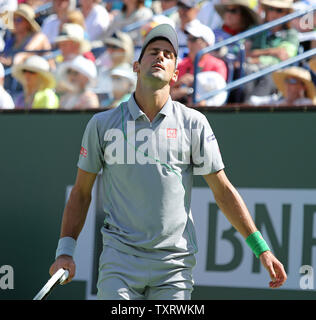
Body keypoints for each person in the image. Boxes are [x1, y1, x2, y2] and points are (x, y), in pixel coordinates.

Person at [49, 24, 287, 300]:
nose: (159, 57)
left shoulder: (194, 123)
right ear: (136, 66)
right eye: (152, 52)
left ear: (176, 73)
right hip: (120, 263)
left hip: (175, 267)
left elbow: (222, 191)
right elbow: (80, 193)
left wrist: (261, 248)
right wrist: (65, 252)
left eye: (167, 54)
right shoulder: (101, 125)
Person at [242, 0, 299, 101]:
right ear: (266, 11)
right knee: (246, 72)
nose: (274, 13)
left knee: (269, 75)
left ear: (287, 13)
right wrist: (274, 51)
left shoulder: (291, 34)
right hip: (250, 69)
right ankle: (247, 106)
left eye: (279, 10)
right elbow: (244, 54)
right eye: (271, 9)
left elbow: (284, 57)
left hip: (275, 73)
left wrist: (257, 56)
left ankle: (252, 108)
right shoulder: (255, 29)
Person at [171, 20, 228, 103]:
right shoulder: (181, 64)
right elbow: (168, 94)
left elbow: (218, 95)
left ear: (207, 44)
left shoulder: (218, 65)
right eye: (188, 38)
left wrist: (192, 84)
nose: (189, 43)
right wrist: (178, 85)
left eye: (194, 39)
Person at [251, 66, 316, 105]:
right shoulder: (278, 101)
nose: (288, 84)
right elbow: (253, 100)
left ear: (303, 87)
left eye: (292, 81)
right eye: (286, 80)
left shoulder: (308, 104)